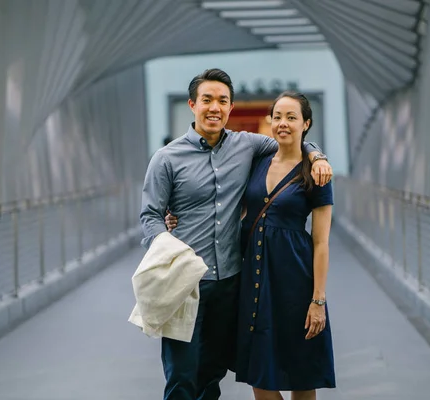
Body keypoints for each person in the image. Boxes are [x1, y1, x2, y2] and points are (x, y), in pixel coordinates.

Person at [140, 68, 332, 400]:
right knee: (182, 376)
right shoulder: (166, 159)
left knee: (212, 373)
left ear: (230, 107)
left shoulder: (248, 146)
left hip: (230, 282)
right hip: (185, 284)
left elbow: (291, 139)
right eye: (207, 100)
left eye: (222, 101)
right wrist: (168, 251)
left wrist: (317, 155)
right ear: (192, 104)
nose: (214, 107)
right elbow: (150, 217)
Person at [236, 91, 335, 399]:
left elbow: (321, 243)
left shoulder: (316, 172)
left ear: (306, 124)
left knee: (302, 375)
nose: (282, 123)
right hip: (255, 280)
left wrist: (317, 301)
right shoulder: (257, 161)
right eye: (277, 116)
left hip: (296, 281)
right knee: (260, 377)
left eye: (291, 117)